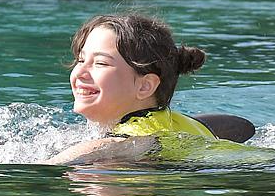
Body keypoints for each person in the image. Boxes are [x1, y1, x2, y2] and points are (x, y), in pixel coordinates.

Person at [45, 13, 216, 165]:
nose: (80, 72)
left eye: (101, 63)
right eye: (81, 60)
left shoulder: (134, 139)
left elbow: (114, 145)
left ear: (145, 86)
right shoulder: (173, 122)